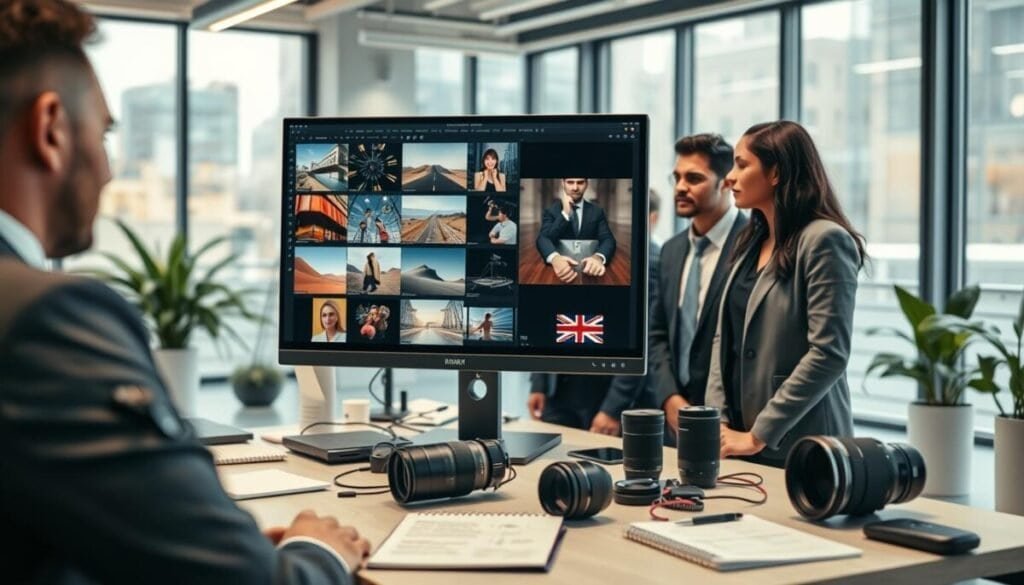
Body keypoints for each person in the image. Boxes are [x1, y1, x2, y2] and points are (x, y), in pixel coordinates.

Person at [0, 1, 368, 583]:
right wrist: (315, 552)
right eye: (104, 132)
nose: (110, 170)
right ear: (51, 129)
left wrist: (188, 543)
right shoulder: (45, 318)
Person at [706, 120, 865, 467]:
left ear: (775, 172)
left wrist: (758, 434)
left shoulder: (825, 240)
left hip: (803, 443)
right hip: (739, 442)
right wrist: (715, 421)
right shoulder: (751, 240)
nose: (729, 177)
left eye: (741, 164)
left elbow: (828, 353)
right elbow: (724, 340)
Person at [644, 134, 749, 438]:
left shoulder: (755, 245)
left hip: (733, 420)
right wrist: (669, 396)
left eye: (694, 178)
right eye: (676, 177)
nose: (679, 187)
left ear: (726, 182)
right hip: (675, 419)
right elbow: (657, 332)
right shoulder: (671, 250)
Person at [589, 188, 666, 435]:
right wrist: (541, 384)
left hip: (616, 396)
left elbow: (643, 338)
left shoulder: (653, 262)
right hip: (576, 390)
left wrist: (612, 409)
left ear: (652, 218)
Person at [536, 178, 616, 283]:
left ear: (586, 184)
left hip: (589, 271)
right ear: (562, 183)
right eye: (570, 182)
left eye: (580, 182)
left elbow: (608, 239)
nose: (575, 188)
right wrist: (565, 213)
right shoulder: (551, 211)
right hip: (559, 272)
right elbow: (544, 238)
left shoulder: (597, 211)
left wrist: (598, 257)